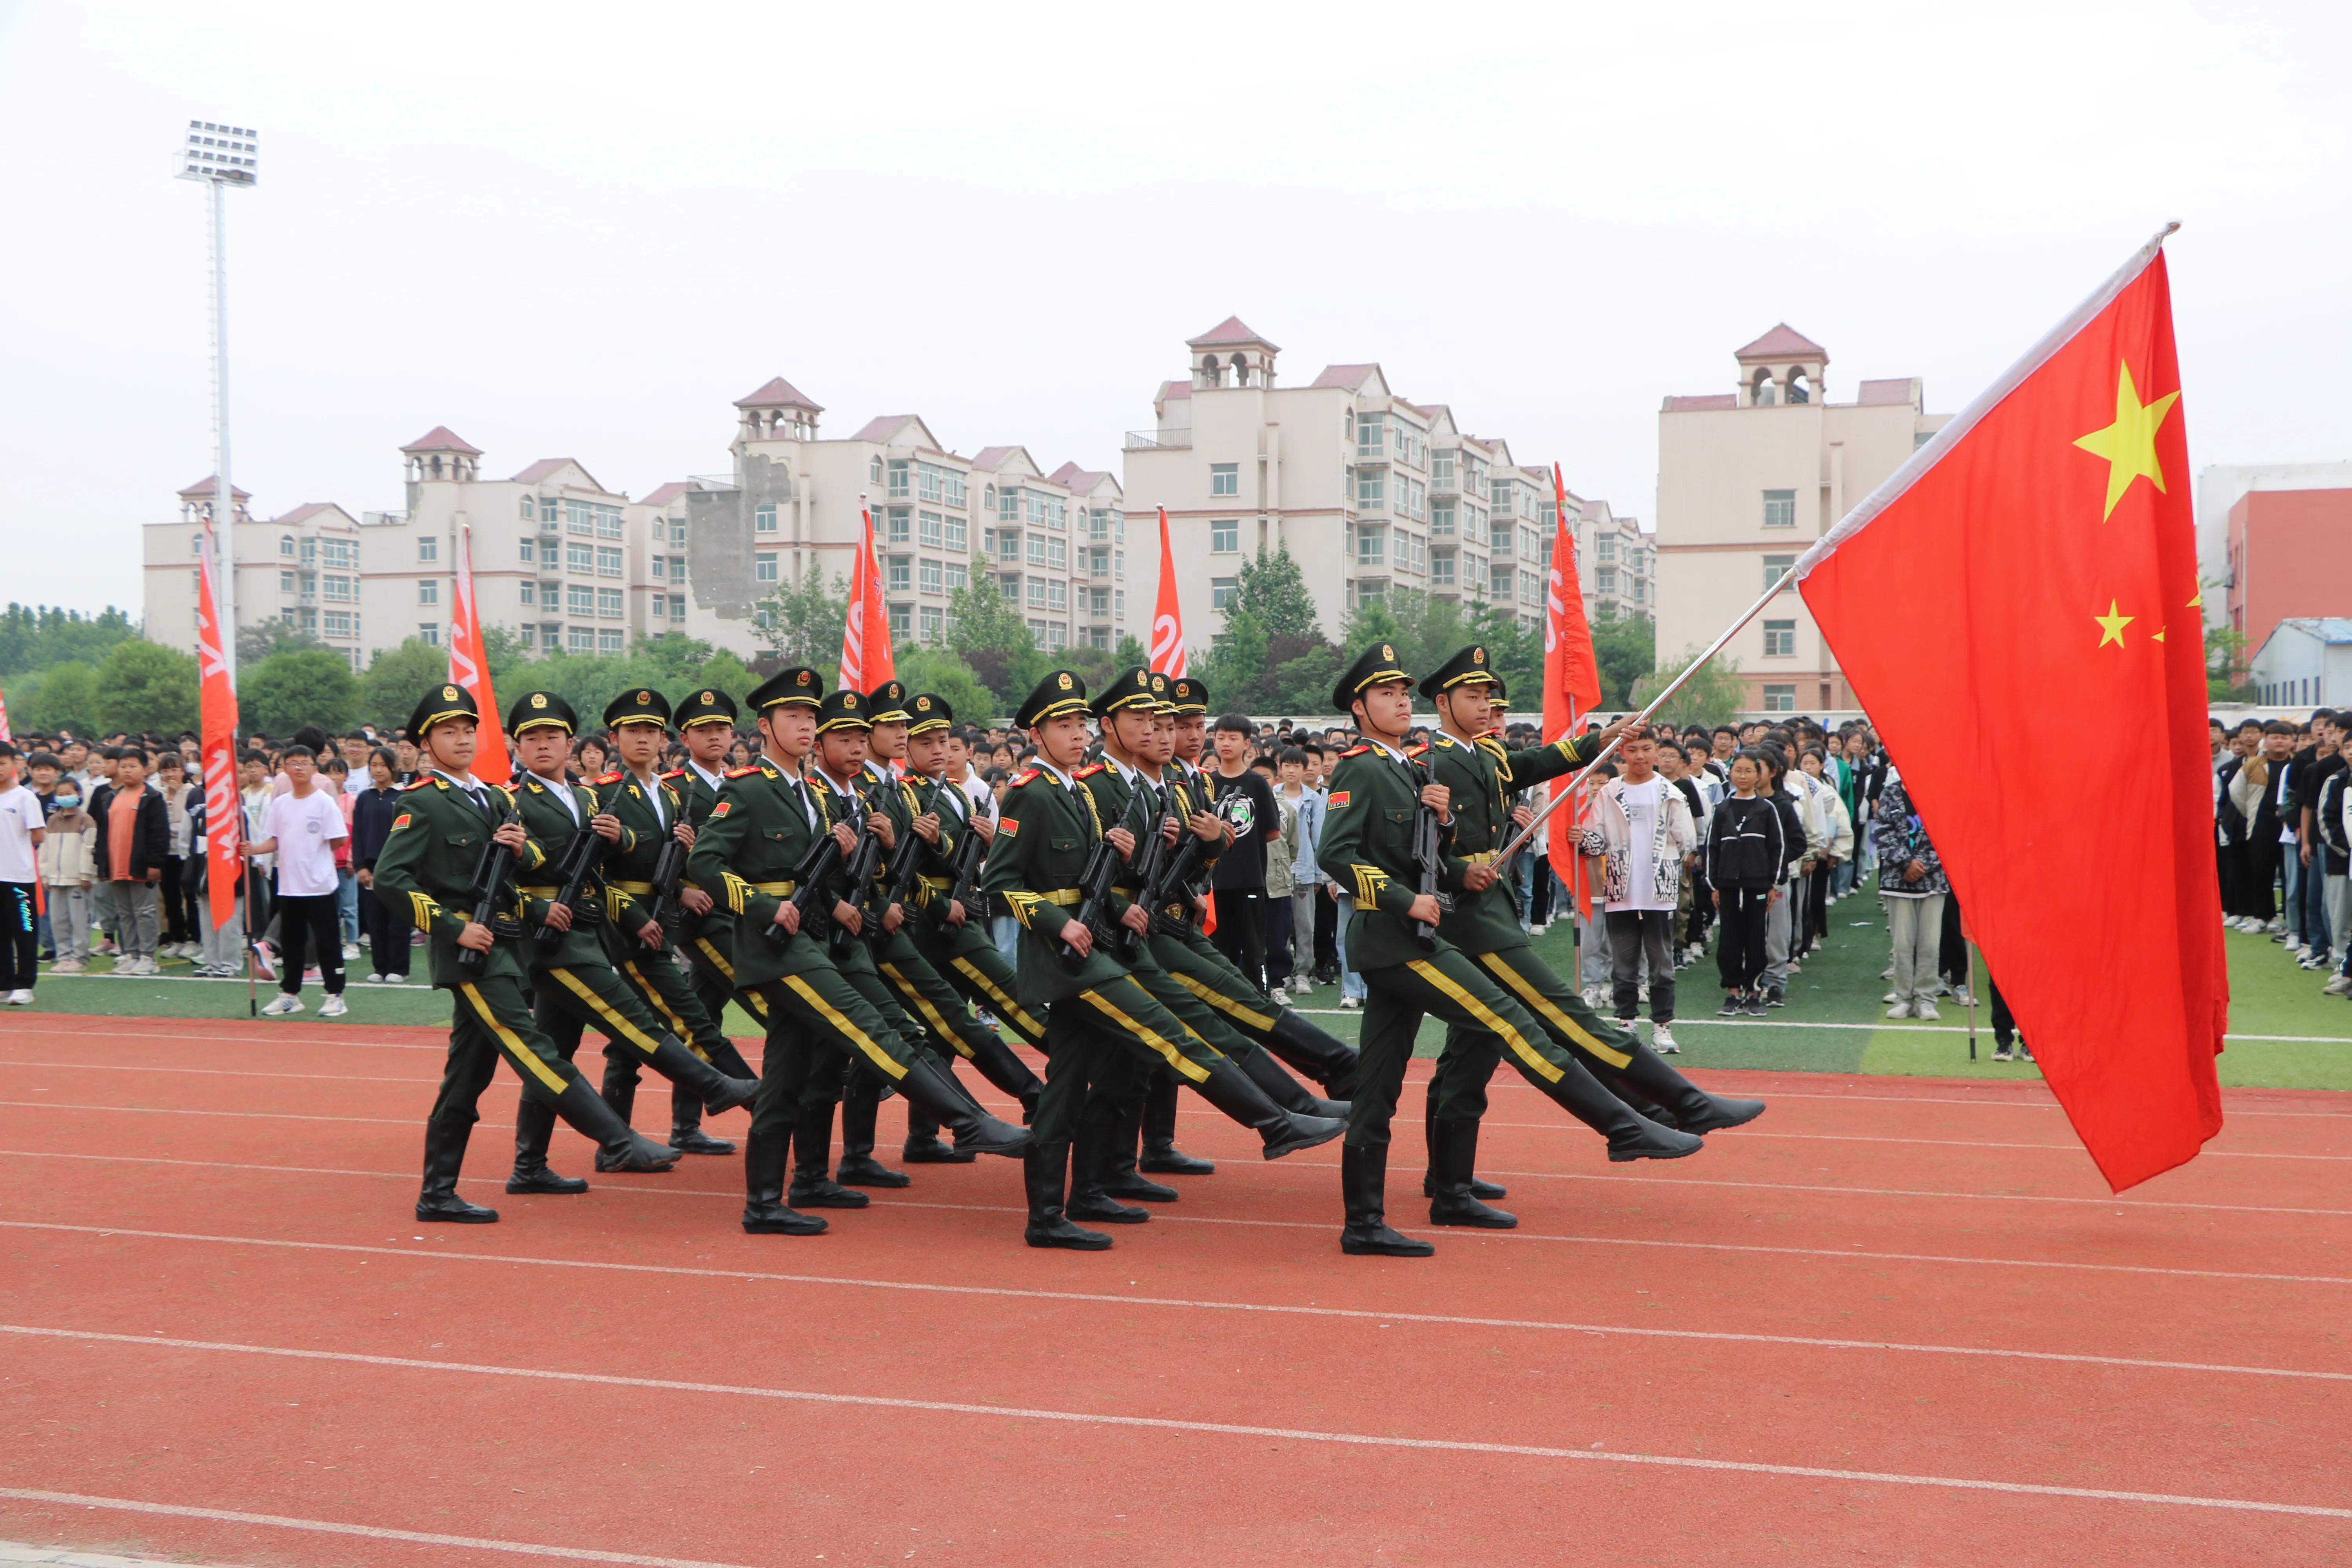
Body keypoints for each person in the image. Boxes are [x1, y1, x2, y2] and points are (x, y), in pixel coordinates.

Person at [1318, 643, 1704, 1259]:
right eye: (1386, 695)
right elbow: (1336, 854)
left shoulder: (1408, 769)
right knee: (1509, 1020)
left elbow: (1422, 855)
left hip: (1414, 936)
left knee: (1378, 1084)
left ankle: (1364, 1222)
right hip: (1393, 940)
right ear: (1360, 709)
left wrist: (1449, 846)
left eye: (1402, 693)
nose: (1401, 702)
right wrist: (1405, 901)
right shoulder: (1360, 769)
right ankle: (1621, 1126)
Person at [979, 668, 1341, 1250]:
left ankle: (1067, 1203)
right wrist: (1059, 922)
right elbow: (998, 884)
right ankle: (1273, 1122)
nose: (1075, 736)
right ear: (1038, 734)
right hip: (1064, 958)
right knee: (1167, 1032)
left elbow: (1092, 878)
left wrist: (1120, 905)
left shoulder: (1075, 791)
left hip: (1099, 940)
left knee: (1073, 1082)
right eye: (1063, 727)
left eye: (1077, 725)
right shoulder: (1031, 792)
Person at [686, 670, 1031, 1239]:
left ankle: (773, 1199)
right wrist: (761, 906)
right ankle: (966, 1121)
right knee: (869, 1026)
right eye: (794, 717)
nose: (805, 726)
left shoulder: (811, 792)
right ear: (765, 726)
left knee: (789, 1075)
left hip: (819, 938)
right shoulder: (746, 789)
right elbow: (704, 864)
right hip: (776, 949)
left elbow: (823, 876)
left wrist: (844, 872)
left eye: (809, 716)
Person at [370, 682, 682, 1223]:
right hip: (470, 956)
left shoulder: (491, 798)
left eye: (468, 730)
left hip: (506, 945)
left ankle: (440, 1193)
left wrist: (536, 909)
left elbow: (511, 873)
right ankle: (618, 1138)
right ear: (425, 743)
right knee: (533, 1047)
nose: (462, 740)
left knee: (468, 1075)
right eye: (449, 732)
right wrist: (453, 929)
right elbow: (390, 880)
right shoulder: (420, 802)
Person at [501, 690, 758, 1191]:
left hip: (608, 923)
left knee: (559, 1048)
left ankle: (534, 1163)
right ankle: (725, 1093)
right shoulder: (552, 797)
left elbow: (618, 861)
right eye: (632, 731)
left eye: (651, 731)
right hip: (577, 933)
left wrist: (675, 873)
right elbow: (585, 866)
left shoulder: (633, 795)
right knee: (647, 1019)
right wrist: (633, 912)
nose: (642, 739)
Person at [1582, 725, 1697, 1051]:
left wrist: (1669, 866)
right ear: (1622, 753)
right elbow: (1595, 841)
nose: (1640, 756)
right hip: (1621, 890)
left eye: (1646, 749)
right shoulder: (1610, 792)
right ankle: (1626, 1023)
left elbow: (1687, 841)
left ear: (1656, 752)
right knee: (1623, 964)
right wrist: (1582, 839)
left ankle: (1662, 1026)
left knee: (1661, 966)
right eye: (1632, 750)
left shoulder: (1670, 793)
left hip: (1660, 892)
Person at [241, 744, 350, 1018]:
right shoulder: (280, 804)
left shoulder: (324, 801)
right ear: (284, 769)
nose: (298, 768)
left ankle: (335, 995)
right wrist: (253, 849)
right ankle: (290, 994)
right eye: (293, 763)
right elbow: (275, 840)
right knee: (292, 943)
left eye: (304, 763)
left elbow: (339, 838)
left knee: (327, 942)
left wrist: (313, 850)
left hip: (320, 885)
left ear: (315, 768)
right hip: (290, 886)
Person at [1203, 712, 1280, 991]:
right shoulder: (1206, 783)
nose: (1226, 743)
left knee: (1254, 949)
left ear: (1247, 744)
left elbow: (1272, 831)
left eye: (1233, 738)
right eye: (1221, 737)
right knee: (1219, 950)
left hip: (1249, 879)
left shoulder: (1257, 783)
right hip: (1214, 882)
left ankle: (1260, 999)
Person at [1706, 751, 1784, 1015]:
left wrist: (1772, 883)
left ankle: (1753, 992)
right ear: (1731, 773)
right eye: (1738, 770)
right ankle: (1732, 992)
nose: (1743, 776)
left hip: (1757, 885)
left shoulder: (1767, 809)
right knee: (1729, 939)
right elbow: (1712, 849)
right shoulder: (1722, 809)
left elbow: (1777, 848)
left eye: (1749, 771)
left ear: (1758, 775)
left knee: (1755, 938)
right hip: (1728, 886)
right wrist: (1714, 885)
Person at [1873, 768, 1949, 1019]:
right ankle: (1903, 997)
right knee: (1903, 945)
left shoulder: (1939, 795)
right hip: (1897, 880)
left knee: (1930, 944)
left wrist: (1922, 865)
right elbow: (1882, 832)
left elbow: (1947, 834)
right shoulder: (1891, 793)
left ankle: (1926, 999)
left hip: (1932, 881)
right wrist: (1906, 862)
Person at [92, 747, 167, 976]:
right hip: (116, 865)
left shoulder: (152, 798)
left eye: (133, 766)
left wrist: (155, 863)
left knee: (145, 912)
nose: (127, 771)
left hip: (140, 865)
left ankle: (148, 958)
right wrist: (102, 865)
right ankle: (131, 955)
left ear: (145, 770)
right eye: (123, 766)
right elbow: (102, 833)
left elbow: (159, 833)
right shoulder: (109, 797)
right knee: (124, 913)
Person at [351, 748, 413, 984]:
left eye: (383, 765)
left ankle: (399, 968)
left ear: (393, 767)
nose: (378, 770)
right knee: (375, 920)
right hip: (371, 868)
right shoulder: (364, 798)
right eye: (374, 765)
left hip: (398, 868)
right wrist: (360, 866)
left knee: (398, 919)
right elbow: (358, 834)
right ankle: (380, 967)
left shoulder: (404, 796)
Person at [36, 765, 96, 975]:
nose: (64, 798)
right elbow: (45, 850)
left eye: (68, 793)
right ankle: (64, 957)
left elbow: (89, 849)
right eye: (60, 794)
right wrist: (45, 875)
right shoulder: (53, 820)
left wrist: (86, 874)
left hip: (77, 878)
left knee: (79, 920)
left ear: (78, 795)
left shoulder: (86, 820)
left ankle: (79, 958)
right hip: (55, 878)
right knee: (58, 920)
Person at [0, 746, 44, 1004]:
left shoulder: (25, 798)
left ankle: (25, 985)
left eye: (2, 763)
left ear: (14, 765)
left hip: (19, 879)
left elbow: (38, 835)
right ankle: (4, 983)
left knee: (24, 931)